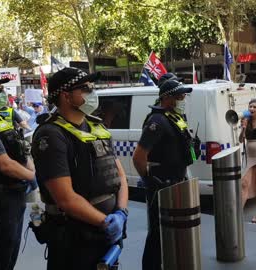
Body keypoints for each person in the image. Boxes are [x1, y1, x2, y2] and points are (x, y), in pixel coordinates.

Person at [31, 67, 129, 270]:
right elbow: (65, 198)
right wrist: (106, 222)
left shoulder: (98, 127)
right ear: (66, 96)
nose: (92, 93)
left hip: (107, 233)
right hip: (74, 238)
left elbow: (119, 174)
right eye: (86, 88)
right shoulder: (51, 135)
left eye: (92, 87)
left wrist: (121, 213)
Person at [132, 78, 199, 270]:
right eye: (180, 96)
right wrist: (150, 181)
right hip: (162, 183)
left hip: (179, 180)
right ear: (167, 98)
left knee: (176, 232)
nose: (183, 99)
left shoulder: (176, 117)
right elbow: (139, 157)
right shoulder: (157, 120)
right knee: (157, 234)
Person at [0, 74, 36, 270]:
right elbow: (4, 164)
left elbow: (20, 152)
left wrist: (28, 171)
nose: (2, 94)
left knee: (11, 251)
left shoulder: (2, 120)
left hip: (15, 195)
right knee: (0, 255)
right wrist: (34, 177)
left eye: (2, 89)